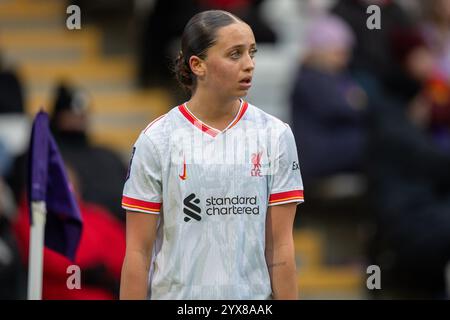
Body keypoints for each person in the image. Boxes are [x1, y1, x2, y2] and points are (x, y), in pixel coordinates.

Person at [120, 10, 304, 300]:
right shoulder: (157, 139)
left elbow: (280, 247)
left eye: (251, 53)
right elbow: (137, 254)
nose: (250, 65)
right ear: (197, 65)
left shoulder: (275, 135)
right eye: (235, 54)